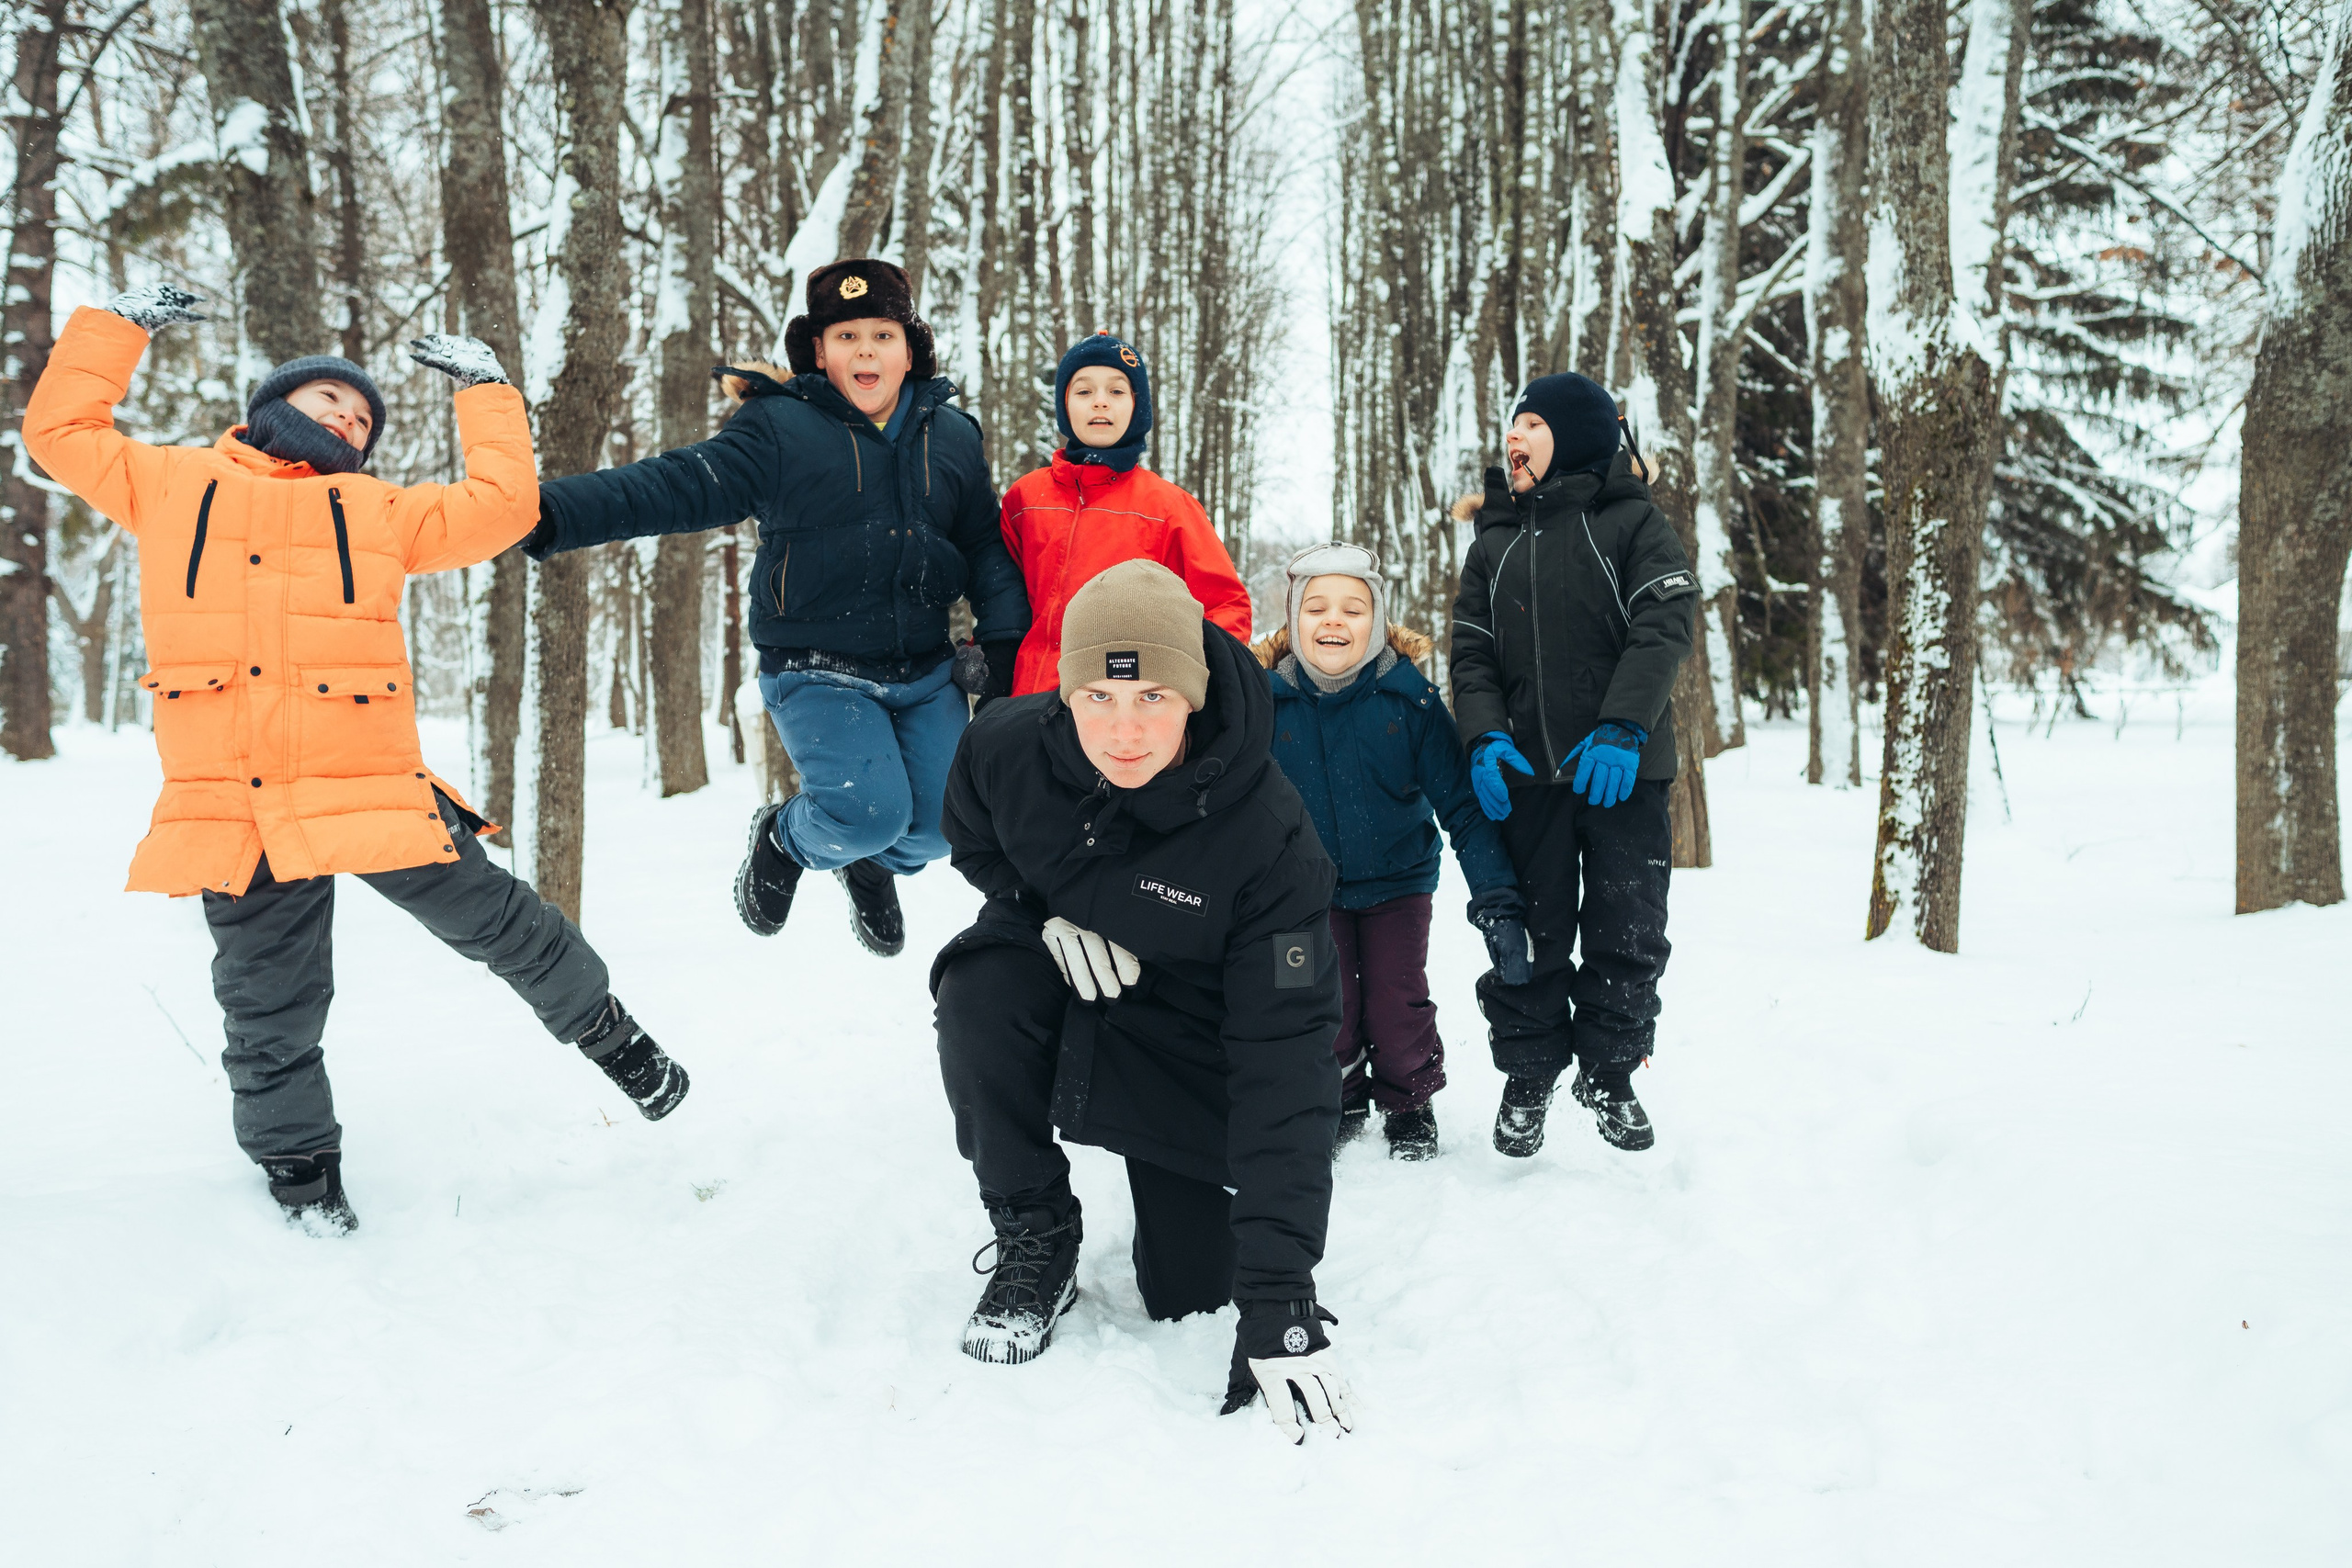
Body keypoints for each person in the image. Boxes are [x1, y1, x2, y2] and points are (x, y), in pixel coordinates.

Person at [23, 286, 689, 1233]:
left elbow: (503, 507)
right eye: (328, 400)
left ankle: (620, 1045)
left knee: (507, 924)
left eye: (363, 415)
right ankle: (302, 1181)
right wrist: (121, 325)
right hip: (238, 798)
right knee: (267, 1004)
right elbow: (59, 430)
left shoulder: (376, 511)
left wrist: (488, 392)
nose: (346, 416)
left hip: (367, 782)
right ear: (270, 408)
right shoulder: (168, 485)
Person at [932, 559, 1356, 1442]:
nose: (1125, 731)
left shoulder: (1272, 842)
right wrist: (1036, 910)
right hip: (1064, 979)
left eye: (1155, 697)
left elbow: (1287, 1060)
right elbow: (975, 840)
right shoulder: (1005, 748)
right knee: (981, 982)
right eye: (1100, 698)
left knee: (1195, 1295)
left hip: (1188, 1037)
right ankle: (1034, 1233)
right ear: (1068, 692)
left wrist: (1280, 1292)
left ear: (1196, 695)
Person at [519, 259, 1031, 957]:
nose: (865, 352)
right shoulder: (781, 429)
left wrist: (1003, 642)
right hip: (817, 665)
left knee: (943, 827)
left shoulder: (954, 436)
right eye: (846, 336)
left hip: (924, 668)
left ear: (910, 348)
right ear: (818, 351)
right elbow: (679, 484)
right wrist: (554, 511)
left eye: (882, 334)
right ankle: (785, 838)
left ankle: (870, 863)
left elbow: (981, 544)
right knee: (867, 812)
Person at [1448, 371, 1697, 1156]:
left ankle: (1611, 1070)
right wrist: (1483, 737)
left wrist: (1625, 726)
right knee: (1531, 932)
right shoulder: (1493, 543)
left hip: (1622, 770)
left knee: (1629, 923)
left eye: (1531, 423)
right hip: (1528, 777)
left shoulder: (1632, 522)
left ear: (1577, 433)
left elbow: (1663, 625)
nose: (1513, 437)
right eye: (1510, 424)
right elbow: (1472, 654)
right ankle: (1528, 1073)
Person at [1258, 543, 1529, 1159]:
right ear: (1293, 620)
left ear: (1378, 621)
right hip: (1300, 893)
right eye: (1316, 607)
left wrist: (1498, 903)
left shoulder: (1412, 704)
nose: (1333, 621)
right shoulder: (1265, 707)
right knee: (1317, 1005)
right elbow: (1233, 810)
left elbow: (1462, 807)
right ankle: (1337, 1093)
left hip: (1397, 884)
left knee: (1394, 998)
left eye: (1353, 610)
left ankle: (1409, 1100)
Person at [994, 332, 1253, 695]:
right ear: (1064, 405)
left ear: (1136, 406)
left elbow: (1226, 607)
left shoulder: (1167, 507)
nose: (1100, 403)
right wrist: (988, 651)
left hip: (1120, 709)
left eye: (1116, 392)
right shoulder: (1026, 499)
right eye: (1084, 392)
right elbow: (1002, 595)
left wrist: (1184, 688)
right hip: (1027, 700)